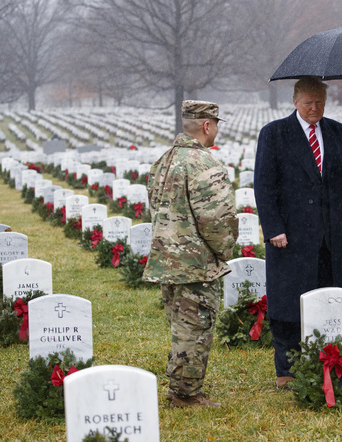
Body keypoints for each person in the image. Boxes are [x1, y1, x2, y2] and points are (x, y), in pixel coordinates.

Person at [254, 76, 342, 389]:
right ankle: (287, 371)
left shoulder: (336, 130)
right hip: (290, 234)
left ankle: (331, 361)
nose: (314, 108)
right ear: (295, 101)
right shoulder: (274, 134)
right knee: (288, 301)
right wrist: (273, 227)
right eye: (308, 103)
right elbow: (263, 185)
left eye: (319, 102)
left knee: (331, 297)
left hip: (330, 233)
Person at [143, 100, 238, 408]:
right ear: (207, 126)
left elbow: (154, 204)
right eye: (216, 124)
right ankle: (185, 394)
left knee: (180, 326)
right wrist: (224, 250)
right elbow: (216, 218)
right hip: (196, 263)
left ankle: (183, 388)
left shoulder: (163, 160)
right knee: (195, 328)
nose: (217, 129)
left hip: (167, 260)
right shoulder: (205, 164)